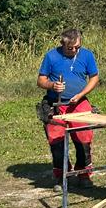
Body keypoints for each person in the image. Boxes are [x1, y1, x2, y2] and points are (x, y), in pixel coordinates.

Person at [37, 28, 100, 188]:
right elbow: (41, 80)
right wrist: (52, 85)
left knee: (84, 139)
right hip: (55, 104)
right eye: (70, 48)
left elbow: (94, 77)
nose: (74, 50)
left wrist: (81, 94)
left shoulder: (87, 55)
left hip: (78, 103)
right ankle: (61, 175)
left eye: (77, 47)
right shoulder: (51, 56)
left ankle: (84, 173)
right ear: (62, 44)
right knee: (57, 142)